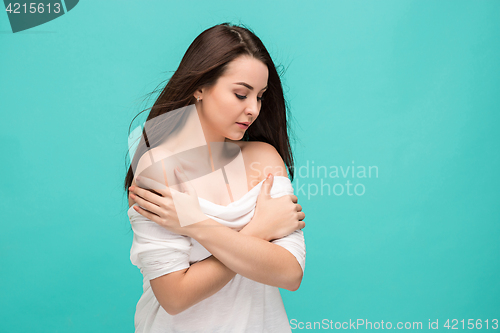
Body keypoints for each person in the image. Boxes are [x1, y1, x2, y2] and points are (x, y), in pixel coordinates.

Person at [124, 22, 306, 333]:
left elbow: (289, 274)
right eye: (240, 94)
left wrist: (194, 223)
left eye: (260, 97)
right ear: (200, 87)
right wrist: (259, 230)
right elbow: (175, 296)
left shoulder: (264, 158)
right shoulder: (158, 168)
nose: (253, 109)